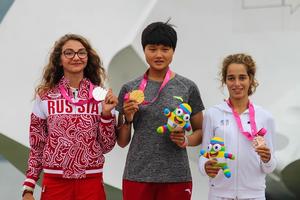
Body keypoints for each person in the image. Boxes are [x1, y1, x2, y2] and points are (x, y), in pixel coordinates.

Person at [22, 34, 118, 200]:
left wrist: (107, 115)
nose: (76, 57)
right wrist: (29, 187)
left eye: (81, 53)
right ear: (59, 59)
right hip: (55, 183)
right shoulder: (45, 96)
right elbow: (37, 145)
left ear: (88, 58)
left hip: (91, 182)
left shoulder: (101, 96)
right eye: (69, 53)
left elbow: (107, 146)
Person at [116, 21, 205, 200]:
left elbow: (201, 131)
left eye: (165, 49)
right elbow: (122, 141)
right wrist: (128, 119)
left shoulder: (187, 87)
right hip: (137, 174)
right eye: (152, 49)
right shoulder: (130, 88)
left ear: (173, 51)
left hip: (176, 176)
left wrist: (186, 140)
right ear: (144, 50)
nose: (158, 55)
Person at [198, 53, 276, 200]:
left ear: (251, 79)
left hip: (254, 196)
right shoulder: (212, 114)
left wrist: (267, 159)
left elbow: (270, 166)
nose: (236, 83)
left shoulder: (265, 117)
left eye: (242, 77)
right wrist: (205, 166)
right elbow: (204, 155)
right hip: (219, 195)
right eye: (231, 78)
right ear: (225, 81)